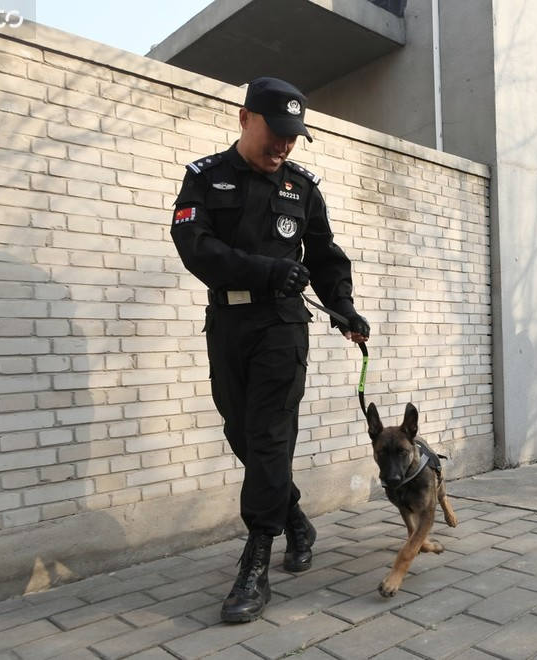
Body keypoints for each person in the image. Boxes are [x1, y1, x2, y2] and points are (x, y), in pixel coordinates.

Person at [170, 77, 370, 623]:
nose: (283, 146)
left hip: (282, 326)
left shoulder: (302, 189)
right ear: (244, 119)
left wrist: (345, 308)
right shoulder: (205, 180)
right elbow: (195, 247)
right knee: (243, 432)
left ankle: (257, 558)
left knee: (269, 436)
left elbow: (326, 257)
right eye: (276, 133)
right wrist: (267, 269)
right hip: (229, 323)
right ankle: (297, 520)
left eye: (292, 137)